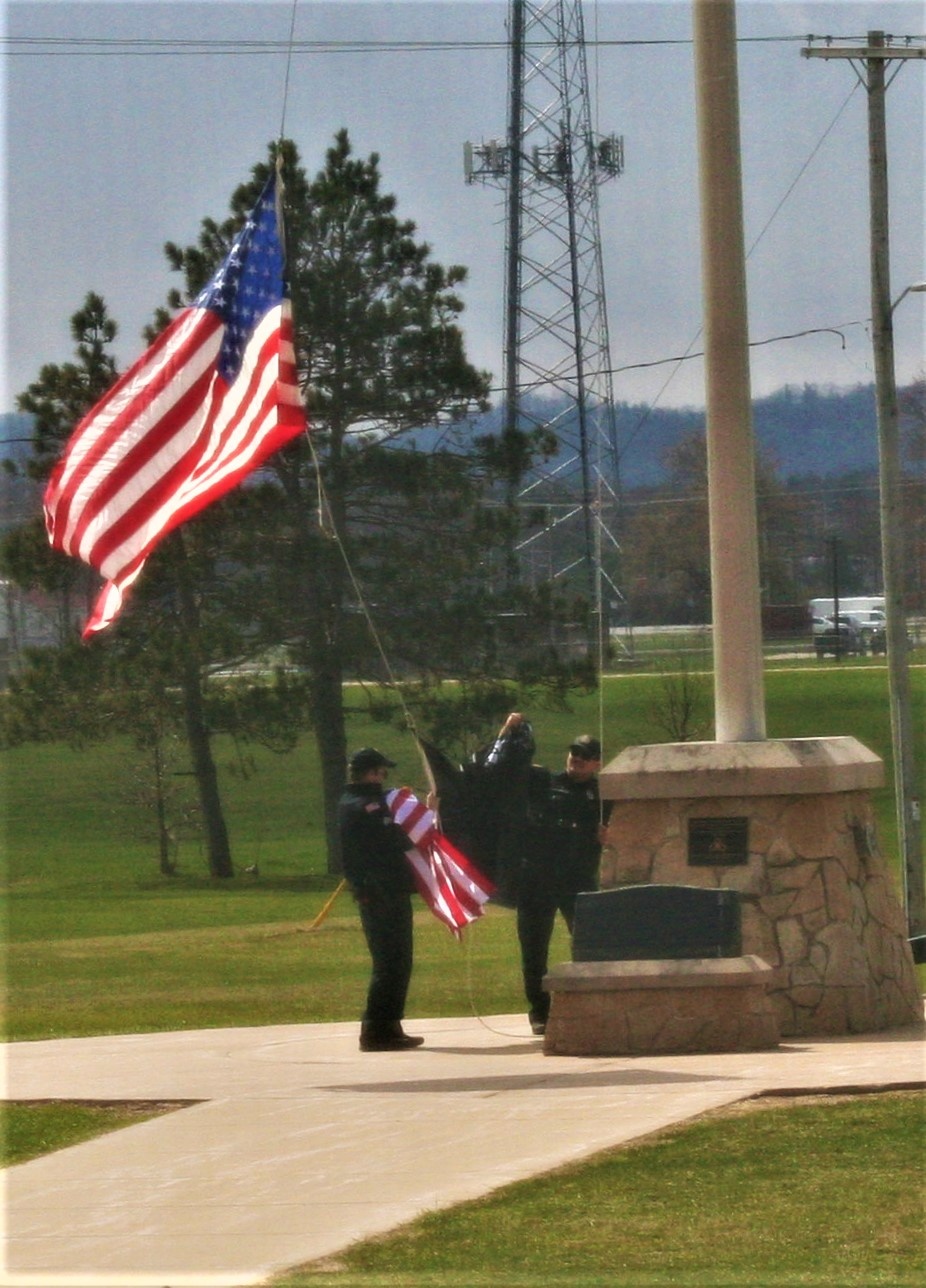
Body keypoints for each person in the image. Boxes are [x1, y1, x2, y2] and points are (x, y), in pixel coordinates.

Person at [495, 714, 608, 1036]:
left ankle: (589, 1005)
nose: (577, 760)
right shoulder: (544, 783)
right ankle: (540, 1012)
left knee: (589, 946)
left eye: (586, 758)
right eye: (574, 754)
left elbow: (625, 832)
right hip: (537, 881)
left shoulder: (603, 797)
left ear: (597, 764)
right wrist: (508, 731)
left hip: (578, 881)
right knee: (534, 950)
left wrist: (609, 835)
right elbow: (506, 770)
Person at [338, 747, 425, 1052]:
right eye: (380, 772)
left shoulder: (372, 802)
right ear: (370, 772)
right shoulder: (360, 806)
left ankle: (391, 1025)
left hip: (392, 890)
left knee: (400, 961)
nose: (382, 778)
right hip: (378, 893)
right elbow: (394, 837)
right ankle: (374, 1029)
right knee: (388, 963)